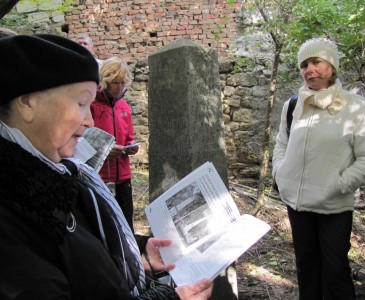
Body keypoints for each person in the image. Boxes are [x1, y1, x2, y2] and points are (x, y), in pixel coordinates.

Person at [0, 34, 213, 300]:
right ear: (28, 102)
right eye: (80, 103)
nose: (89, 120)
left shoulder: (60, 175)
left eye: (90, 105)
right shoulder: (12, 213)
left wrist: (136, 250)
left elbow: (82, 250)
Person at [272, 37, 365, 300]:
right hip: (297, 204)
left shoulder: (357, 108)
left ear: (331, 67)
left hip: (333, 206)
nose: (309, 70)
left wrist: (337, 185)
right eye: (303, 64)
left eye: (315, 62)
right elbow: (281, 143)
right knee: (306, 269)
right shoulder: (292, 105)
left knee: (335, 272)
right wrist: (280, 172)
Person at [91, 56, 138, 230]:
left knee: (126, 223)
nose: (119, 87)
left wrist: (132, 146)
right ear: (105, 81)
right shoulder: (92, 106)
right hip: (100, 177)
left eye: (122, 83)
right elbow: (82, 139)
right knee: (105, 226)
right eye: (115, 82)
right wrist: (103, 150)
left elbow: (129, 137)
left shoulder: (124, 107)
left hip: (123, 177)